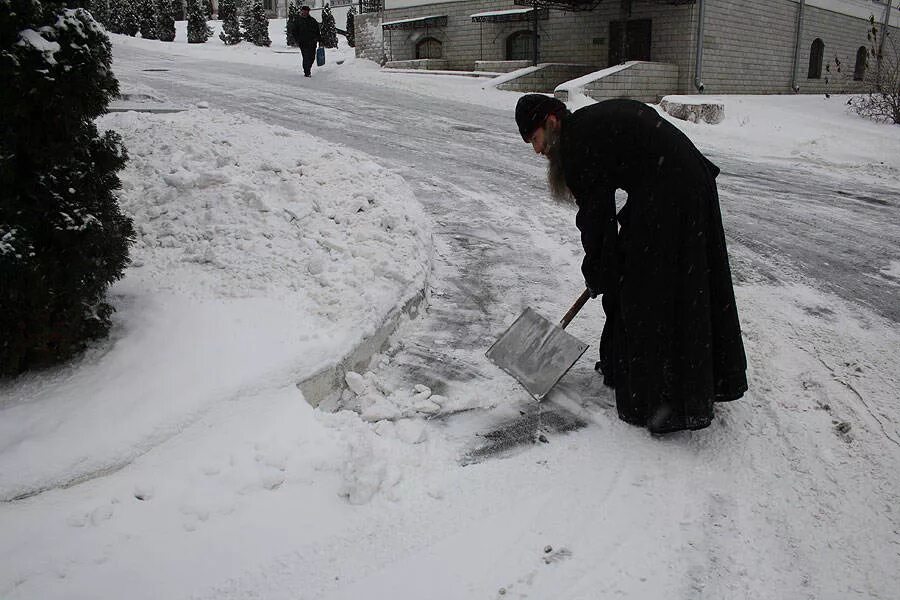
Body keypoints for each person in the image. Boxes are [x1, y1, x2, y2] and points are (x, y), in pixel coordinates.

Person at [515, 94, 748, 434]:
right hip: (682, 185)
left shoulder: (577, 144)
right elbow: (601, 220)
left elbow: (596, 220)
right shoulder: (584, 128)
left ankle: (663, 400)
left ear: (551, 122)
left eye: (535, 139)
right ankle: (633, 368)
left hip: (674, 192)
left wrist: (599, 269)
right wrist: (603, 266)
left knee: (646, 288)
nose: (537, 150)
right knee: (649, 277)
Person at [290, 5, 321, 77]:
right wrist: (297, 40)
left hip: (313, 42)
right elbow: (294, 31)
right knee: (306, 57)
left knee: (312, 57)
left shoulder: (313, 20)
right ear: (302, 11)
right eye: (304, 11)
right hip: (303, 43)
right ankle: (307, 72)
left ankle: (308, 68)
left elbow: (317, 31)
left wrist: (320, 40)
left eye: (307, 11)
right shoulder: (298, 21)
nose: (305, 12)